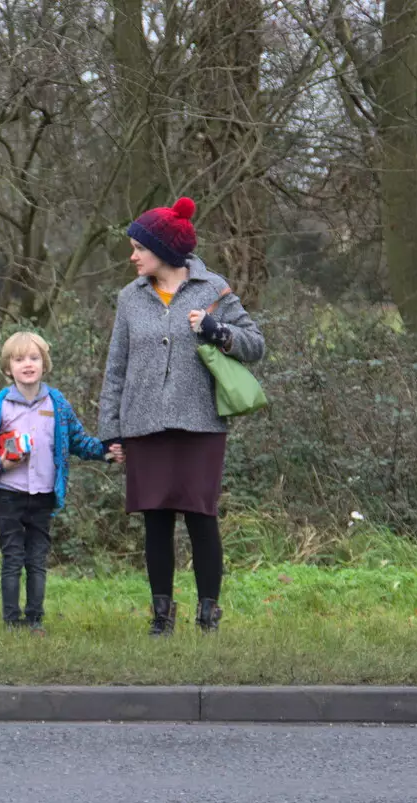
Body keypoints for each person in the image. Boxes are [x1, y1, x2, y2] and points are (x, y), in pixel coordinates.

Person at [96, 197, 265, 636]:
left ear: (165, 251)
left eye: (139, 248)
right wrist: (109, 432)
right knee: (155, 520)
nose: (132, 256)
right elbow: (116, 367)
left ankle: (208, 616)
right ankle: (161, 617)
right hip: (143, 424)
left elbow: (255, 346)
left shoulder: (214, 290)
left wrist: (217, 331)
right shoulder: (129, 299)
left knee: (200, 518)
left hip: (202, 424)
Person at [0, 331, 109, 634]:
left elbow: (78, 441)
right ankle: (11, 621)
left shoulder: (57, 404)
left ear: (44, 363)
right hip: (9, 494)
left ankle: (35, 619)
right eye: (19, 359)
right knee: (13, 558)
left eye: (34, 358)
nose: (27, 364)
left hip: (43, 494)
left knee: (37, 560)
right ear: (7, 368)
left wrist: (106, 452)